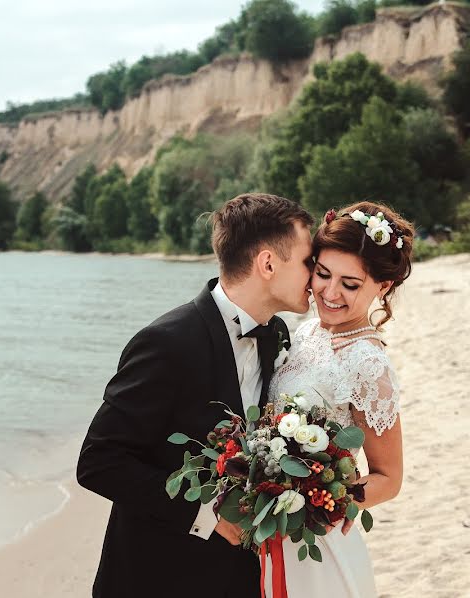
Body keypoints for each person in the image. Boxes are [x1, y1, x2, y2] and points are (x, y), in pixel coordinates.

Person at [77, 193, 314, 598]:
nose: (316, 274)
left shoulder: (277, 335)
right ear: (268, 264)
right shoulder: (166, 342)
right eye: (308, 262)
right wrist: (208, 514)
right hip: (155, 577)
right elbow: (99, 461)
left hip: (236, 578)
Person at [267, 201, 413, 597]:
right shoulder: (306, 332)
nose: (330, 293)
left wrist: (325, 501)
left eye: (350, 284)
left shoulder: (368, 364)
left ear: (382, 287)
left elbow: (389, 478)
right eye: (323, 274)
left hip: (315, 535)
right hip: (267, 526)